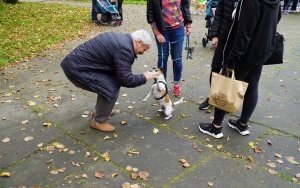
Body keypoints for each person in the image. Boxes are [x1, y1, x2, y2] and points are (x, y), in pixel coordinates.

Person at [199, 0, 282, 138]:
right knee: (252, 86)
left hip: (245, 54)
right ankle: (242, 124)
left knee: (227, 87)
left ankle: (215, 127)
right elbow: (276, 18)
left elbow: (244, 32)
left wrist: (232, 60)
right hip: (261, 52)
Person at [61, 30, 158, 132]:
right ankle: (98, 121)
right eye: (144, 49)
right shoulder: (125, 49)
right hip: (76, 70)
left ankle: (103, 111)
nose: (142, 53)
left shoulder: (122, 39)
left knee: (110, 83)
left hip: (76, 65)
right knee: (110, 88)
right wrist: (145, 76)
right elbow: (126, 80)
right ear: (138, 42)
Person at [146, 0, 193, 96]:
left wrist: (188, 25)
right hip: (162, 30)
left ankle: (177, 83)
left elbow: (185, 7)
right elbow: (150, 15)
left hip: (178, 29)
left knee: (177, 58)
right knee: (162, 58)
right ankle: (162, 84)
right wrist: (157, 33)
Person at [199, 0, 238, 110]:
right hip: (222, 37)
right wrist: (214, 35)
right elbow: (218, 14)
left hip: (237, 42)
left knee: (229, 71)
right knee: (215, 68)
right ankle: (212, 97)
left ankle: (224, 100)